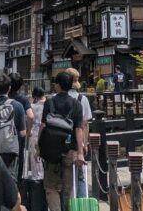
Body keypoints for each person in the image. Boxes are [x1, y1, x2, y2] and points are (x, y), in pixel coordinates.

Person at [40, 72, 85, 211]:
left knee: (51, 187)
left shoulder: (49, 102)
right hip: (69, 149)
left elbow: (43, 126)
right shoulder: (77, 104)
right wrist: (80, 153)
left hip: (50, 150)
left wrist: (37, 146)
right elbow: (79, 129)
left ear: (58, 85)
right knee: (68, 188)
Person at [0, 73, 26, 168]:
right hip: (10, 151)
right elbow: (22, 133)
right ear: (9, 88)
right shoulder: (17, 106)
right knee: (10, 180)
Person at [65, 67, 93, 198]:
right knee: (80, 176)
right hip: (77, 142)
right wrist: (85, 143)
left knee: (63, 176)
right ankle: (81, 203)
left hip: (61, 141)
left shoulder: (57, 98)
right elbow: (85, 124)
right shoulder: (83, 99)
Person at [9, 72, 35, 181]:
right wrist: (28, 131)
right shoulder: (22, 99)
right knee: (18, 164)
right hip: (18, 136)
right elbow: (30, 116)